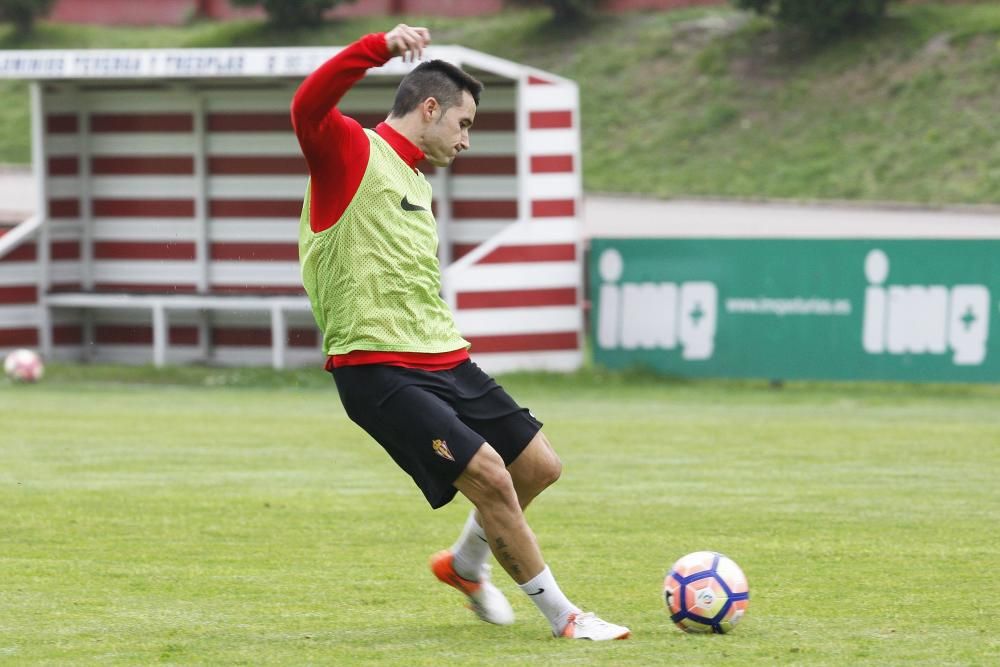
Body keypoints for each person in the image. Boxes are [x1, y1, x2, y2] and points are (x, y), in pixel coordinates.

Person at [292, 24, 630, 641]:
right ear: (429, 108)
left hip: (445, 362)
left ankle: (466, 564)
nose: (467, 139)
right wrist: (379, 49)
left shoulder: (415, 181)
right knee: (492, 478)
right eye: (463, 123)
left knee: (539, 468)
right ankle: (567, 618)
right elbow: (307, 103)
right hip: (377, 370)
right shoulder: (350, 153)